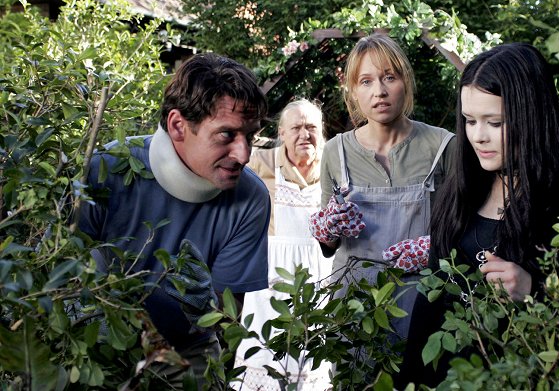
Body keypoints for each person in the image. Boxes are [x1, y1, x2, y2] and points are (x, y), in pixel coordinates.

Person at [395, 43, 559, 387]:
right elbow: (429, 312)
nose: (478, 136)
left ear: (533, 116)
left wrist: (538, 290)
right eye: (470, 121)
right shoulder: (459, 195)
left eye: (495, 122)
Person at [77, 53, 271, 384]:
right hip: (95, 342)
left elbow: (224, 322)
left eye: (249, 136)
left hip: (188, 348)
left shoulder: (250, 198)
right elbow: (58, 277)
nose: (244, 154)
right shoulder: (104, 168)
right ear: (178, 126)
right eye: (227, 135)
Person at [308, 33, 456, 341]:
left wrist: (436, 249)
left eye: (389, 77)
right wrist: (328, 229)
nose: (380, 91)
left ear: (406, 82)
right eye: (366, 81)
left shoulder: (442, 147)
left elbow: (466, 227)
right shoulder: (336, 152)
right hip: (354, 305)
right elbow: (328, 247)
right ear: (353, 91)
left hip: (423, 300)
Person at [233, 99, 333, 390]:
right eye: (297, 128)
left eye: (312, 127)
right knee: (265, 355)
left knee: (313, 356)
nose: (305, 134)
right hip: (270, 280)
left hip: (318, 274)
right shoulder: (260, 162)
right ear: (283, 132)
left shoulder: (333, 165)